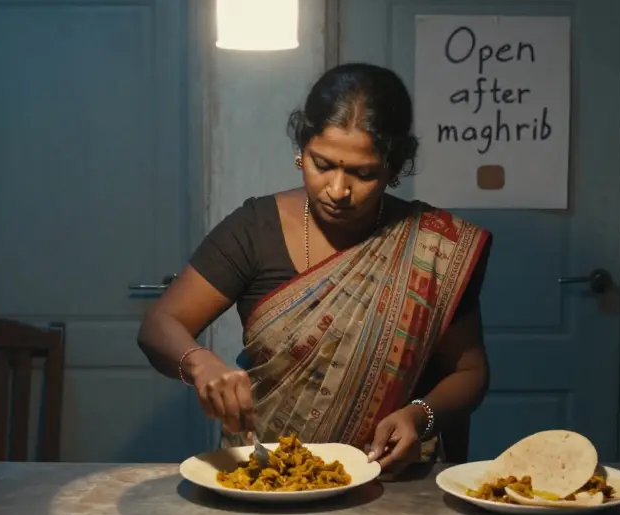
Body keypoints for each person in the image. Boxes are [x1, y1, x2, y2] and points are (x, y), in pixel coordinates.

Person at [137, 63, 493, 473]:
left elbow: (471, 371)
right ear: (301, 148)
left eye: (363, 174)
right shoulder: (255, 229)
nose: (338, 191)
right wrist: (202, 364)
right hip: (267, 474)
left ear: (394, 169)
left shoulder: (436, 248)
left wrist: (419, 415)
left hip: (385, 480)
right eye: (322, 164)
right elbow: (159, 324)